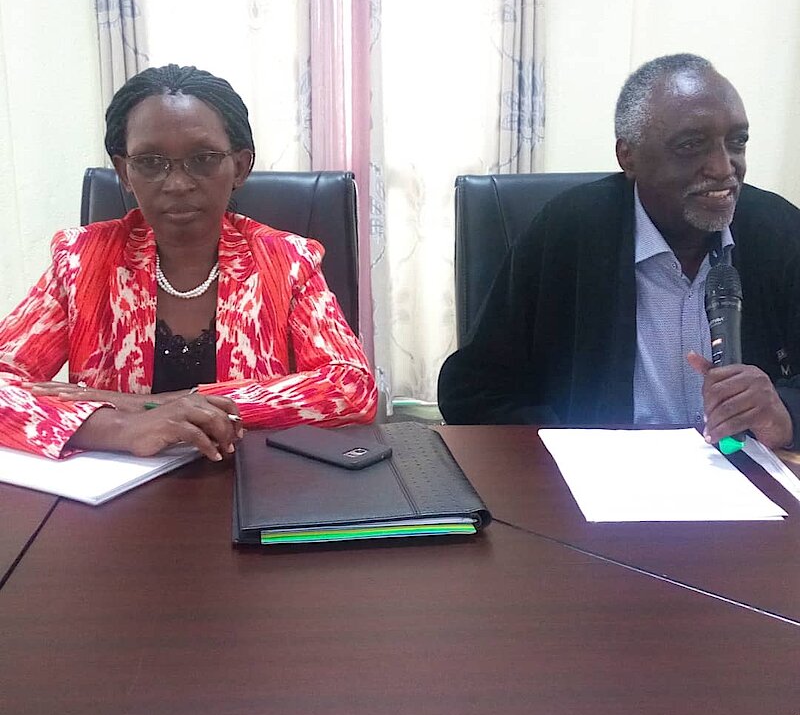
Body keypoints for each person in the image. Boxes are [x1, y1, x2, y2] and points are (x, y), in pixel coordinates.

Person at [0, 64, 377, 461]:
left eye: (203, 159)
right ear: (124, 172)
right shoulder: (81, 261)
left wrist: (156, 404)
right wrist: (119, 427)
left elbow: (351, 387)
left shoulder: (286, 261)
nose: (178, 184)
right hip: (117, 491)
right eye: (150, 162)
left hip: (255, 481)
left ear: (240, 166)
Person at [438, 53, 800, 450]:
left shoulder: (780, 232)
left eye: (737, 142)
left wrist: (786, 413)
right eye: (691, 145)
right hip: (598, 479)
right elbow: (473, 389)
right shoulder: (567, 232)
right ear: (628, 156)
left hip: (745, 474)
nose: (723, 167)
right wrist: (566, 447)